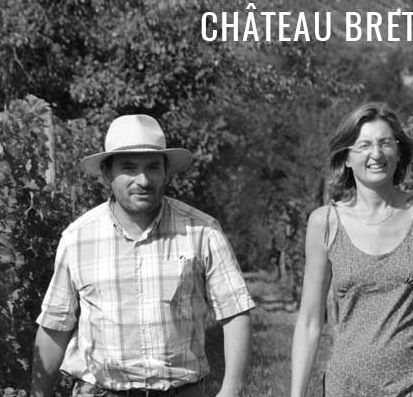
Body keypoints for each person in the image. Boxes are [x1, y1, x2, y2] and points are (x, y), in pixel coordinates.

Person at [30, 114, 256, 397]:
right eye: (129, 167)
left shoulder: (202, 231)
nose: (143, 179)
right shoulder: (77, 239)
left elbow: (235, 311)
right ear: (107, 174)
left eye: (153, 167)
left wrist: (231, 390)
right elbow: (55, 326)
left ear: (166, 172)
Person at [289, 102, 413, 397]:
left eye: (385, 143)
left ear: (399, 150)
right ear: (347, 158)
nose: (376, 154)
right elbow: (310, 321)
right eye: (364, 145)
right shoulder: (325, 223)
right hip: (349, 386)